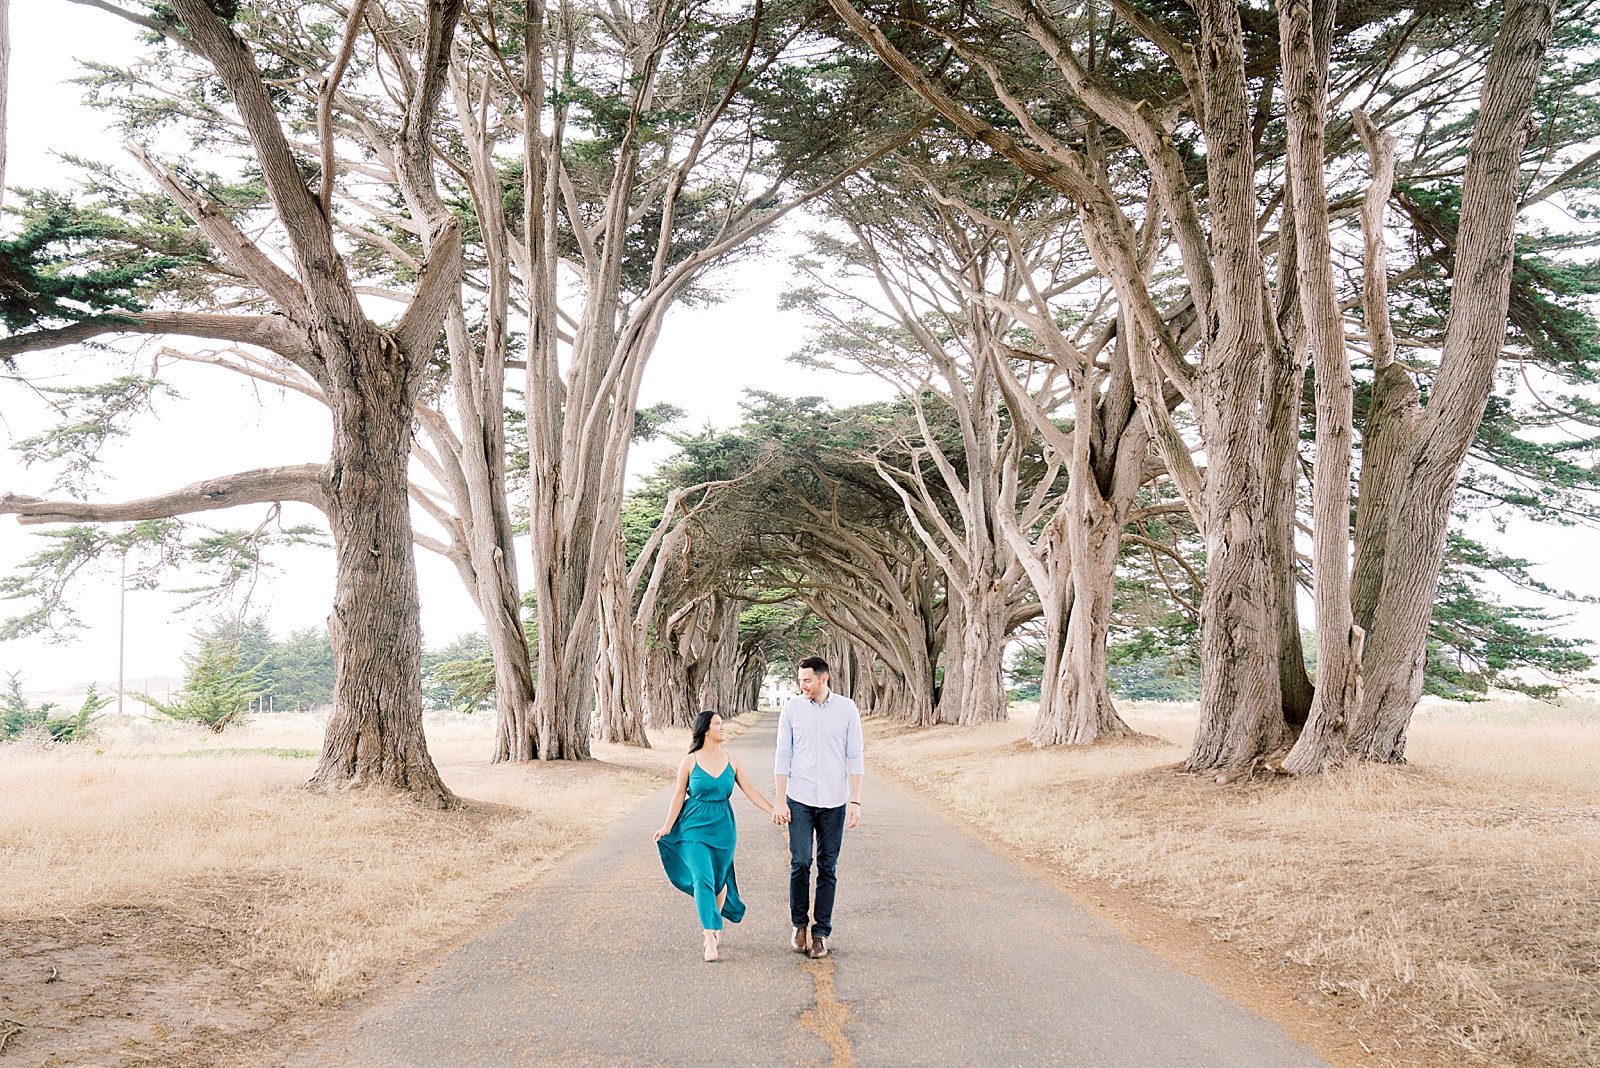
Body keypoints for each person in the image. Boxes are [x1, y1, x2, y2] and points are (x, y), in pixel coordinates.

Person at [655, 710, 780, 962]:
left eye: (722, 723)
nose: (723, 727)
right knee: (703, 879)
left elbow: (751, 791)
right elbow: (679, 795)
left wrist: (773, 810)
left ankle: (712, 926)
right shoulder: (689, 761)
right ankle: (710, 935)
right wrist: (667, 826)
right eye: (717, 724)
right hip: (694, 826)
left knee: (719, 879)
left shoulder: (732, 760)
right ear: (705, 730)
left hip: (723, 827)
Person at [772, 655, 864, 960]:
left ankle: (821, 932)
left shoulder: (847, 709)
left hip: (835, 800)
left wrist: (855, 800)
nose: (802, 686)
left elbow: (855, 756)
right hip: (799, 797)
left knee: (828, 866)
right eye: (800, 681)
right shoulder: (793, 708)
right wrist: (779, 798)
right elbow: (783, 754)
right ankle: (800, 924)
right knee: (800, 862)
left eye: (807, 680)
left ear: (823, 678)